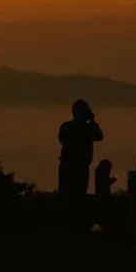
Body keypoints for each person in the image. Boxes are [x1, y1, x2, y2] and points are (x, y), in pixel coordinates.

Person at [57, 100, 104, 233]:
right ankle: (66, 226)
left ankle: (77, 226)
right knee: (67, 197)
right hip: (69, 167)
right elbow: (63, 139)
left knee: (79, 197)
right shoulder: (67, 127)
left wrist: (93, 121)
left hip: (82, 167)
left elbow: (99, 136)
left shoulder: (88, 128)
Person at [93, 158, 117, 235]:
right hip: (103, 196)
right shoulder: (101, 172)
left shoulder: (98, 171)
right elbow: (104, 182)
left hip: (101, 196)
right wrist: (112, 180)